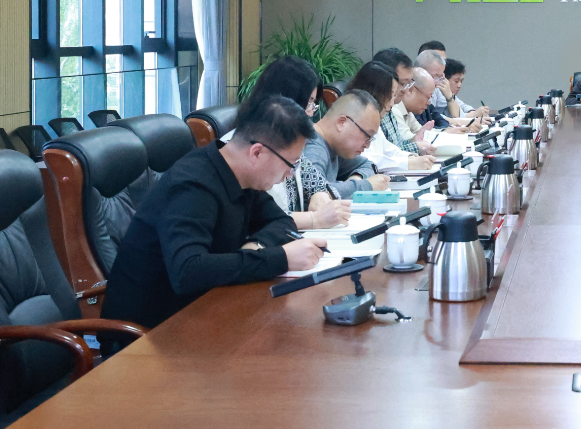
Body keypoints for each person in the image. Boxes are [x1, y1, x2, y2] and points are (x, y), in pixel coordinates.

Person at [103, 95, 328, 329]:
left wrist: (256, 247)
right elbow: (188, 271)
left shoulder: (242, 176)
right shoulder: (193, 186)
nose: (290, 174)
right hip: (149, 332)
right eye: (291, 164)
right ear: (257, 153)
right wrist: (281, 259)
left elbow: (282, 222)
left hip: (205, 310)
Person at [239, 56, 349, 231]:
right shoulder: (252, 147)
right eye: (309, 103)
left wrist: (319, 195)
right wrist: (314, 219)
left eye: (313, 103)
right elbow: (259, 219)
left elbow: (316, 183)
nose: (311, 113)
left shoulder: (290, 141)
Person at [291, 90, 389, 210]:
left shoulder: (334, 147)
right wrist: (365, 186)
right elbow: (317, 193)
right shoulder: (312, 146)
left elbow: (368, 165)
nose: (367, 145)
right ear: (342, 123)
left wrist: (355, 179)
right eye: (367, 136)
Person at [349, 61, 434, 171]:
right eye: (391, 96)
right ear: (376, 93)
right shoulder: (353, 118)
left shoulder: (374, 118)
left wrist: (410, 158)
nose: (392, 103)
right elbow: (365, 159)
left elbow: (390, 150)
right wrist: (408, 163)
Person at [373, 47, 435, 156]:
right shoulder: (372, 110)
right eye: (403, 83)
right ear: (384, 78)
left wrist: (415, 140)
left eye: (409, 83)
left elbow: (397, 146)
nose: (406, 90)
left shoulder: (390, 106)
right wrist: (416, 147)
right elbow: (385, 156)